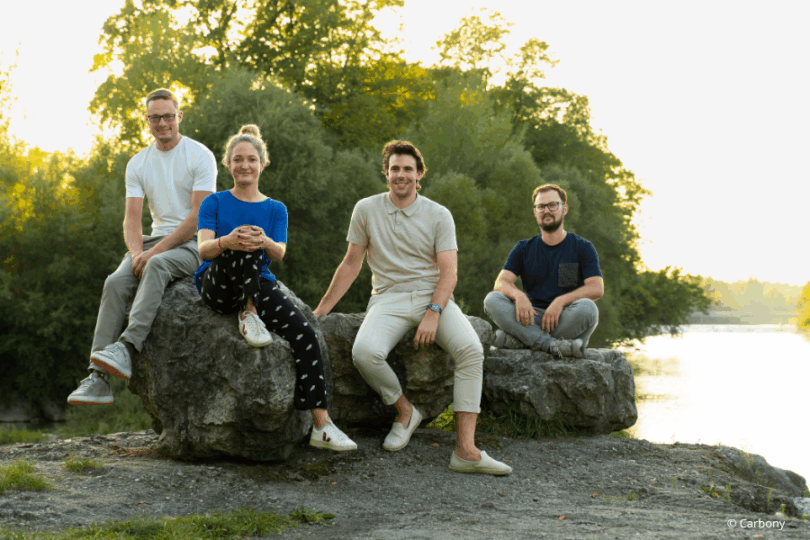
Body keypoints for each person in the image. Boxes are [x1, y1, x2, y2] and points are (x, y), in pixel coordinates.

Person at [313, 140, 512, 475]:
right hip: (387, 298)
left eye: (408, 169)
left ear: (419, 175)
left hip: (431, 295)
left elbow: (449, 272)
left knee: (471, 350)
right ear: (386, 174)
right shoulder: (366, 209)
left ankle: (466, 450)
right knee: (364, 352)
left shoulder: (438, 214)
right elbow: (350, 264)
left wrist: (433, 312)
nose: (400, 175)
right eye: (394, 169)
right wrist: (319, 312)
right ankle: (405, 412)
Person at [193, 124, 356, 452]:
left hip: (258, 281)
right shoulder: (214, 202)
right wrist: (230, 240)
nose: (244, 165)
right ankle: (247, 312)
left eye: (251, 159)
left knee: (306, 334)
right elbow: (204, 249)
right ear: (228, 165)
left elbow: (278, 253)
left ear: (262, 164)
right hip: (219, 283)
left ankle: (321, 425)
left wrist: (261, 238)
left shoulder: (275, 208)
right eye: (237, 159)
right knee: (245, 242)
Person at [68, 89, 217, 405]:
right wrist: (137, 253)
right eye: (155, 117)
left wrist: (152, 254)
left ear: (179, 116)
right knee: (116, 281)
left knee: (156, 265)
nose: (162, 123)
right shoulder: (138, 163)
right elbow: (132, 220)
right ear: (147, 120)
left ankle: (127, 346)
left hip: (194, 242)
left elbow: (197, 216)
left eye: (167, 116)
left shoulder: (200, 155)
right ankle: (97, 378)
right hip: (153, 243)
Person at [483, 184, 603, 358]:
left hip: (564, 319)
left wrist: (560, 301)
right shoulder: (523, 248)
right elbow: (501, 283)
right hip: (528, 319)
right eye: (541, 206)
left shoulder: (582, 247)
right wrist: (519, 296)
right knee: (492, 300)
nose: (546, 210)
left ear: (564, 208)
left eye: (553, 205)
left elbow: (596, 288)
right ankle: (553, 345)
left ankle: (519, 341)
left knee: (588, 309)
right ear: (535, 212)